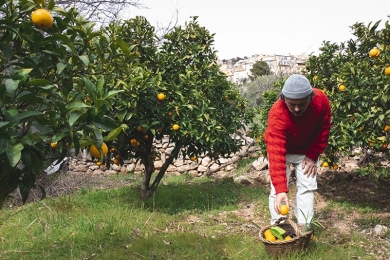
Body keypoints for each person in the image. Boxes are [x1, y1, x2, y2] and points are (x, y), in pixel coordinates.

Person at [264, 74, 331, 225]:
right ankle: (279, 226)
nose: (296, 108)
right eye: (291, 104)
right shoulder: (277, 114)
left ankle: (304, 227)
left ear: (311, 97)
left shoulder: (321, 101)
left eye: (301, 103)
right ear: (283, 98)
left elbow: (323, 129)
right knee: (277, 191)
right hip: (283, 151)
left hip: (306, 151)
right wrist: (281, 190)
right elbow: (275, 153)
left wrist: (313, 155)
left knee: (307, 187)